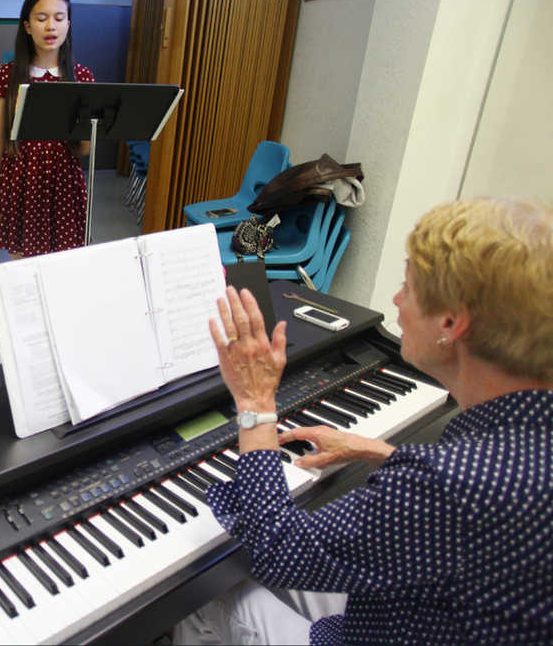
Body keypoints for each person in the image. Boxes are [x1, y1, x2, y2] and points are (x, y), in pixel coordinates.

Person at [175, 197, 553, 644]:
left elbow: (277, 547)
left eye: (408, 286)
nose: (395, 298)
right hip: (449, 610)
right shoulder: (520, 436)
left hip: (395, 630)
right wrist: (384, 451)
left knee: (203, 595)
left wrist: (255, 399)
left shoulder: (450, 484)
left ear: (450, 323)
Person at [0, 0, 95, 258]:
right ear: (27, 26)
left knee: (64, 273)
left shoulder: (82, 77)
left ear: (68, 24)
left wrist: (88, 132)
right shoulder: (4, 77)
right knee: (22, 274)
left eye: (59, 18)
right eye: (41, 18)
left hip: (65, 187)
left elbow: (84, 149)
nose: (51, 26)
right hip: (21, 186)